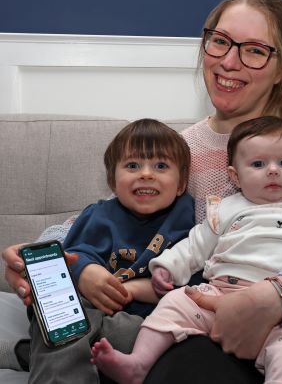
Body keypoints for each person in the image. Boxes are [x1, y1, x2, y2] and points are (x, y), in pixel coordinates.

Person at [3, 0, 282, 384]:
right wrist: (46, 256)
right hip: (215, 318)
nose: (229, 62)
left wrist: (277, 296)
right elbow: (110, 214)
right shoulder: (186, 149)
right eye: (220, 42)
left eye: (254, 50)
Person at [90, 115, 282, 384]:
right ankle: (138, 363)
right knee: (175, 303)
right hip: (220, 293)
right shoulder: (225, 208)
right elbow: (195, 244)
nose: (273, 170)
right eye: (258, 164)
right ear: (235, 175)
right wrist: (167, 267)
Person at [2, 118, 195, 383]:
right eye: (132, 165)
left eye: (161, 166)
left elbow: (192, 283)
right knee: (61, 306)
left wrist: (133, 290)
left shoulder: (187, 219)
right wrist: (86, 270)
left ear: (182, 182)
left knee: (173, 337)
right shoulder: (101, 214)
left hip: (143, 327)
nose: (146, 173)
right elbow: (73, 254)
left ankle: (34, 352)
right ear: (113, 182)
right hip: (87, 311)